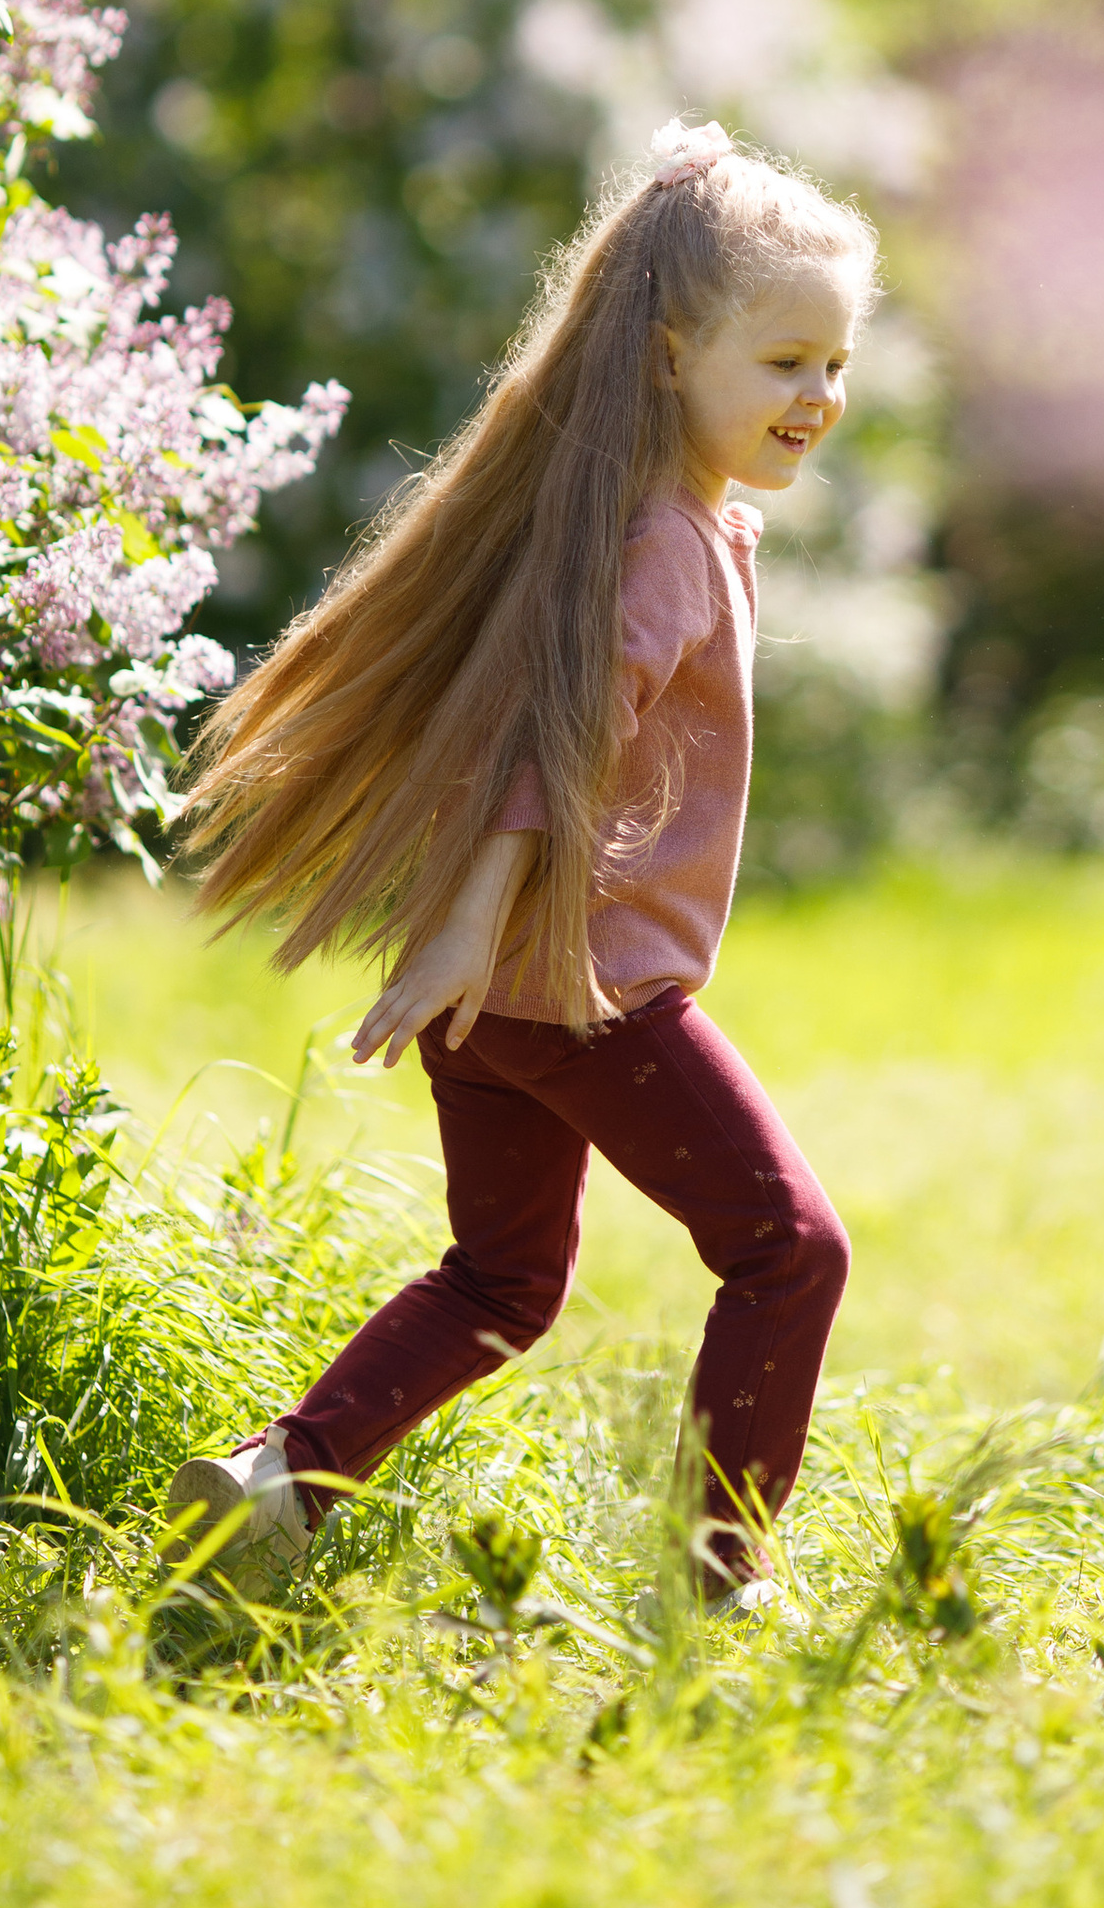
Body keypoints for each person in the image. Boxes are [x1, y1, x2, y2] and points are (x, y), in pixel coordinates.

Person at [164, 119, 872, 1605]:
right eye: (786, 361)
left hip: (506, 989)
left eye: (835, 365)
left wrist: (461, 948)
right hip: (578, 988)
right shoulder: (666, 543)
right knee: (790, 1251)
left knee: (502, 1284)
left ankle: (275, 1486)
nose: (819, 395)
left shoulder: (646, 520)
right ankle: (713, 1575)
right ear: (674, 351)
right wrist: (472, 929)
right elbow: (557, 746)